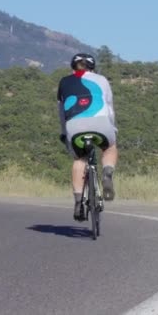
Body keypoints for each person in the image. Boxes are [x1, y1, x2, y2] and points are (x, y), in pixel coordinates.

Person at [57, 53, 118, 221]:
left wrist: (64, 132)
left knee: (79, 159)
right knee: (110, 147)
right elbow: (109, 107)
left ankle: (78, 203)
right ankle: (107, 173)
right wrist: (112, 127)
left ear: (72, 67)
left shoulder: (64, 82)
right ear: (93, 67)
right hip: (101, 123)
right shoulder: (102, 80)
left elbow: (61, 112)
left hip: (74, 127)